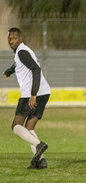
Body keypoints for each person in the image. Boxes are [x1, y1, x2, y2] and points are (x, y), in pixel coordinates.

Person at [3, 27, 50, 169]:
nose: (12, 41)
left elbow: (36, 69)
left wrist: (33, 94)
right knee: (29, 127)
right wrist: (10, 71)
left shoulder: (22, 52)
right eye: (10, 38)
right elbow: (18, 64)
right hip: (45, 92)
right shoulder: (23, 51)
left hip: (32, 94)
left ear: (20, 38)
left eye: (14, 38)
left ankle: (39, 145)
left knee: (16, 126)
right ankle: (41, 161)